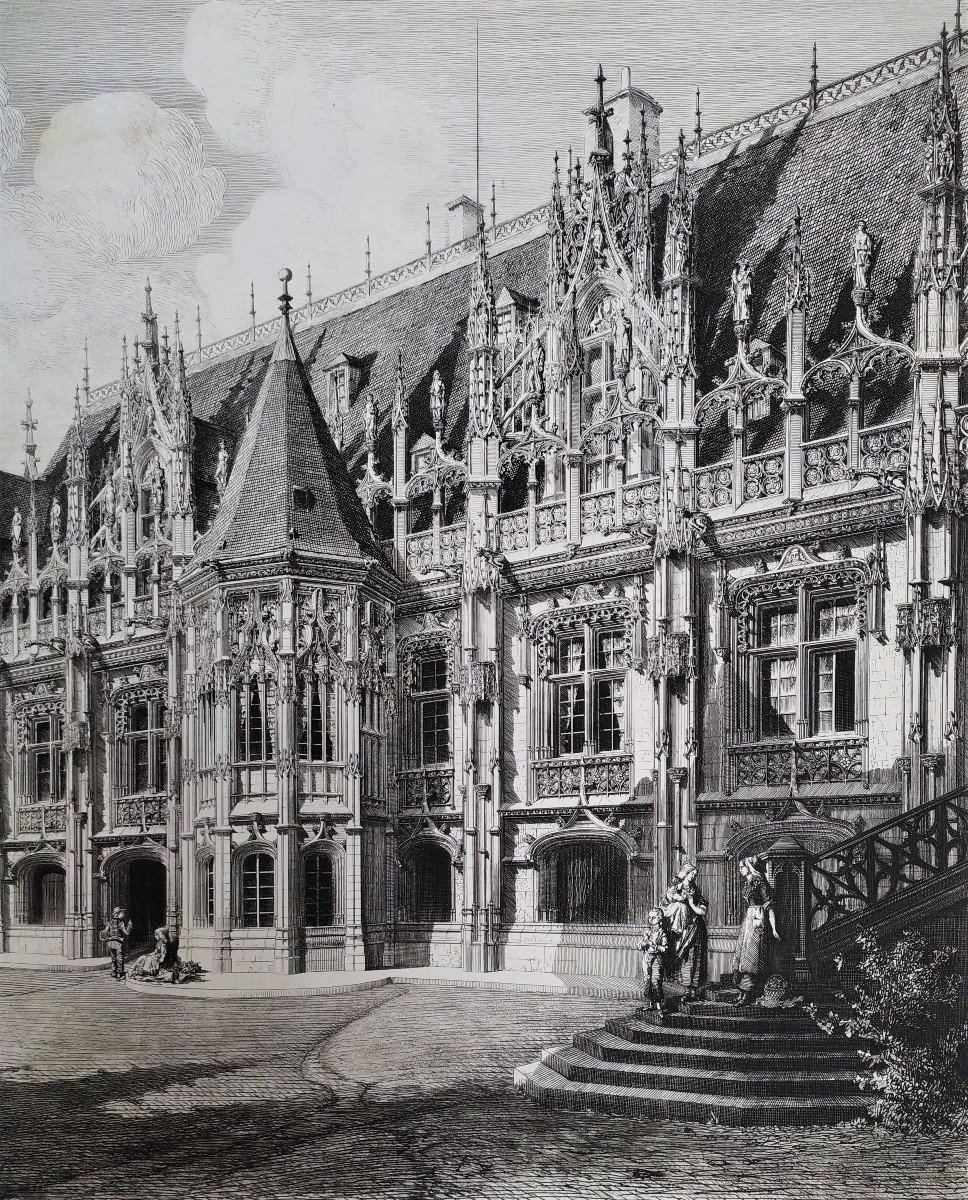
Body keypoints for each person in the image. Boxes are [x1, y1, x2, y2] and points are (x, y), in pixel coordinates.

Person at [732, 856, 779, 1005]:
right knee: (741, 953)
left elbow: (769, 906)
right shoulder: (748, 882)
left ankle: (747, 994)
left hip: (758, 918)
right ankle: (741, 992)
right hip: (749, 918)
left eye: (742, 866)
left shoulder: (759, 882)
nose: (740, 869)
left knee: (751, 956)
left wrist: (774, 928)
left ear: (750, 867)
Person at [661, 862, 709, 999]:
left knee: (698, 958)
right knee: (687, 958)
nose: (694, 875)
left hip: (696, 927)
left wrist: (693, 904)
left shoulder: (695, 889)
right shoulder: (677, 887)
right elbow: (665, 901)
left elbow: (701, 908)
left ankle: (693, 989)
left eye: (695, 873)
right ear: (686, 873)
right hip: (684, 929)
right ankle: (687, 990)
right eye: (692, 873)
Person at [639, 908, 669, 1016]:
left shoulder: (662, 933)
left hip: (657, 958)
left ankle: (659, 1006)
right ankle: (650, 1003)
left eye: (654, 917)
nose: (651, 919)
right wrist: (643, 943)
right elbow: (639, 945)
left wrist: (654, 945)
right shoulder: (647, 932)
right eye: (649, 917)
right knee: (647, 980)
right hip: (647, 957)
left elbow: (665, 948)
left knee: (656, 981)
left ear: (660, 919)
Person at [100, 907, 133, 980]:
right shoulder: (121, 923)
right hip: (118, 943)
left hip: (110, 942)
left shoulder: (110, 922)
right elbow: (126, 933)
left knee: (113, 958)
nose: (123, 914)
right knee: (119, 958)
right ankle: (119, 973)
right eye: (122, 913)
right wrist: (130, 926)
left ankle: (114, 972)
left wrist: (108, 936)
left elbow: (105, 932)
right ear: (117, 914)